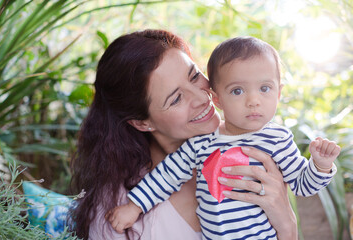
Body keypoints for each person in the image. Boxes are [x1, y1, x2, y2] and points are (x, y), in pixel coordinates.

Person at [69, 30, 298, 240]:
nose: (202, 98)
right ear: (142, 122)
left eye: (194, 76)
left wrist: (287, 224)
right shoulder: (118, 218)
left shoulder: (256, 152)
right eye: (176, 98)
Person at [108, 36, 341, 239]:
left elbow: (302, 185)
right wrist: (134, 206)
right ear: (216, 97)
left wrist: (320, 166)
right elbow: (167, 176)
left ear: (279, 93)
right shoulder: (200, 144)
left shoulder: (277, 140)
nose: (253, 100)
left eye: (265, 88)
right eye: (237, 91)